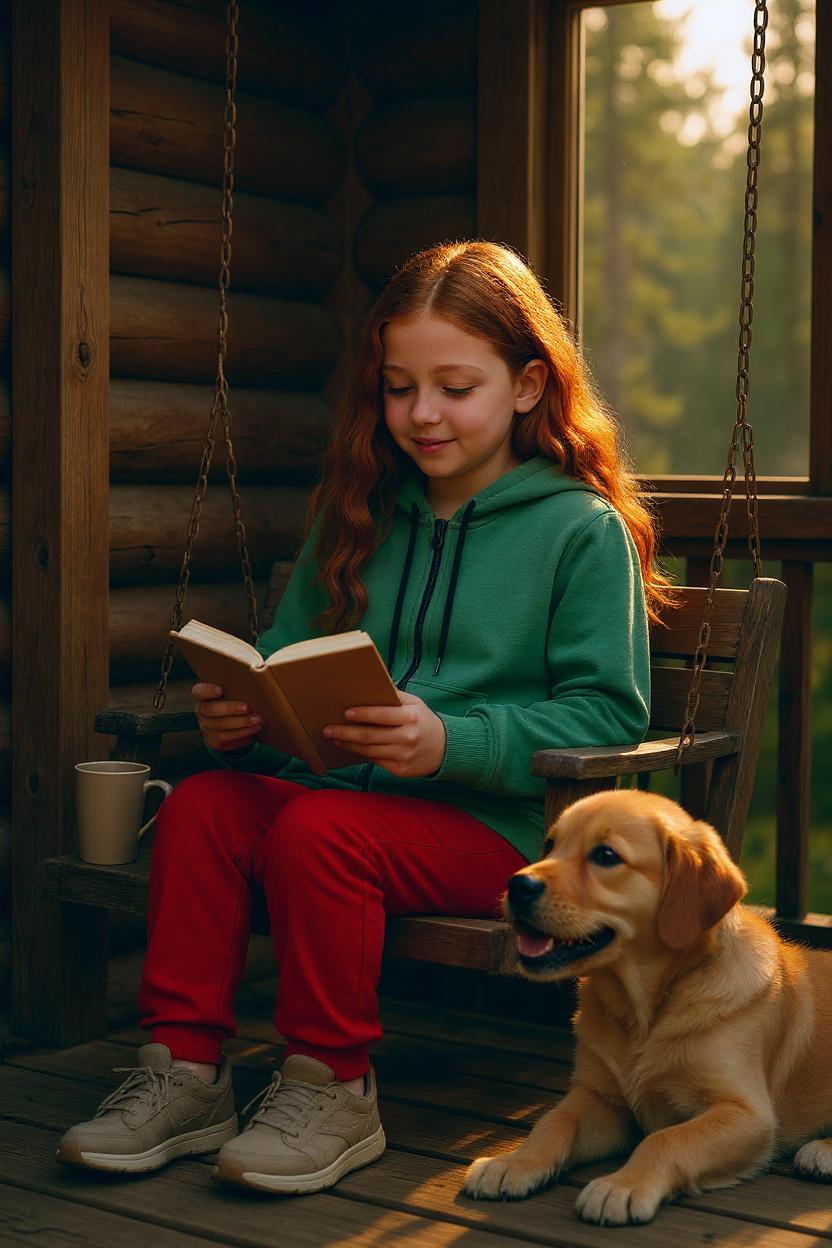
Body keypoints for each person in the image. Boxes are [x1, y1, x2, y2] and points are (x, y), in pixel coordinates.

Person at [57, 240, 671, 1195]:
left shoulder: (578, 530)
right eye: (398, 387)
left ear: (527, 385)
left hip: (496, 831)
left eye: (455, 386)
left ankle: (332, 1085)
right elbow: (292, 658)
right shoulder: (361, 513)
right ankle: (183, 1072)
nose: (421, 414)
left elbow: (607, 712)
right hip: (338, 805)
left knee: (318, 829)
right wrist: (246, 717)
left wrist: (448, 741)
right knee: (204, 806)